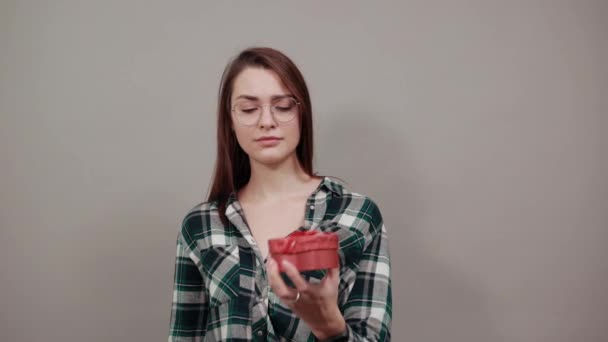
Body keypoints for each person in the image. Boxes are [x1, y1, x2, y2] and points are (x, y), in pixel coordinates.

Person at [168, 46, 392, 341]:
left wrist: (330, 328)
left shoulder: (356, 215)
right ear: (230, 121)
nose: (266, 121)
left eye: (283, 106)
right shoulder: (201, 225)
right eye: (249, 109)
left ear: (302, 113)